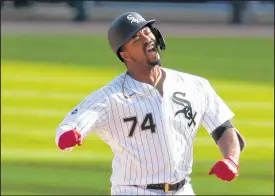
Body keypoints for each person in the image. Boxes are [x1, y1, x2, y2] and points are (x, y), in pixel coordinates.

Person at [55, 12, 246, 195]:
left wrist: (231, 160)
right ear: (125, 55)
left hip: (183, 190)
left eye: (147, 31)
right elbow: (68, 127)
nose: (147, 38)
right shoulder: (110, 98)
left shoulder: (195, 86)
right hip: (132, 191)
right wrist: (69, 134)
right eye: (136, 39)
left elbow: (223, 128)